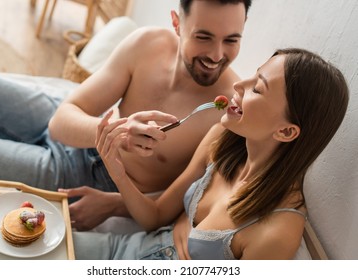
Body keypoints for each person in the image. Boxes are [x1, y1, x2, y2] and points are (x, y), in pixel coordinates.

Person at [0, 0, 252, 231]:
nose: (216, 55)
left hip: (87, 177)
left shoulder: (227, 116)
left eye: (231, 40)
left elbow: (176, 205)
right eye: (203, 37)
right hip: (84, 123)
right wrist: (121, 133)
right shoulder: (147, 44)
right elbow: (60, 122)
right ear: (177, 24)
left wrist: (114, 204)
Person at [72, 48, 349, 260]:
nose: (239, 86)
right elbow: (156, 216)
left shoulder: (278, 230)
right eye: (254, 73)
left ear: (286, 132)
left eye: (258, 88)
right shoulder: (221, 140)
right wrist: (118, 173)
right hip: (132, 247)